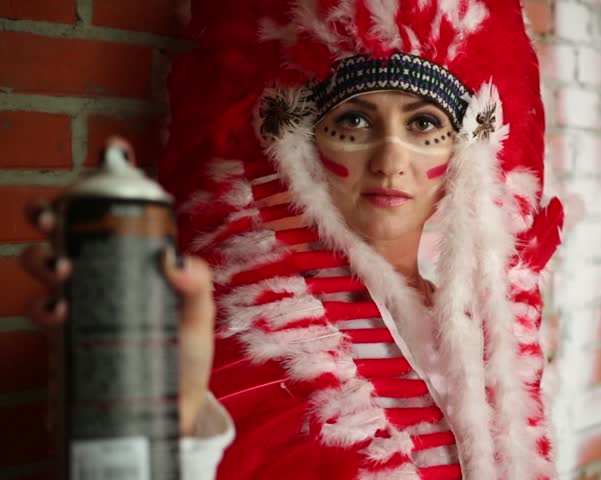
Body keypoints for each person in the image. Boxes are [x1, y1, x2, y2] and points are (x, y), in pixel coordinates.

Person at [23, 0, 565, 478]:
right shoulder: (242, 327)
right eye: (354, 122)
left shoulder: (491, 320)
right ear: (301, 146)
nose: (389, 162)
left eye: (425, 125)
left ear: (463, 150)